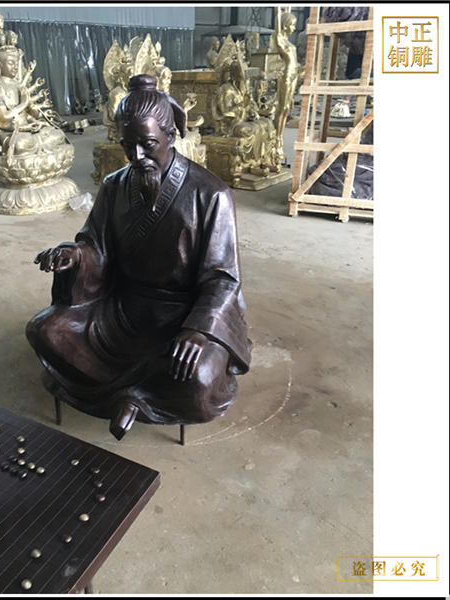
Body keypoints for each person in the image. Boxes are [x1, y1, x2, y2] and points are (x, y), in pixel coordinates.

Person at [26, 74, 252, 440]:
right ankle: (137, 394)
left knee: (200, 379)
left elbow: (222, 279)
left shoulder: (210, 194)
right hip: (121, 310)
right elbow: (96, 246)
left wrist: (198, 329)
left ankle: (132, 397)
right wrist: (75, 256)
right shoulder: (114, 185)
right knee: (45, 330)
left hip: (182, 315)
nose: (138, 156)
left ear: (170, 135)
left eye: (148, 144)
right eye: (128, 145)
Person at [273, 8, 298, 158]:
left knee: (287, 108)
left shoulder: (288, 42)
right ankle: (277, 139)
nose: (294, 28)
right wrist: (278, 9)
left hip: (294, 74)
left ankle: (280, 136)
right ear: (285, 25)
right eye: (292, 25)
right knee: (282, 107)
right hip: (287, 75)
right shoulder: (280, 40)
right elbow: (278, 18)